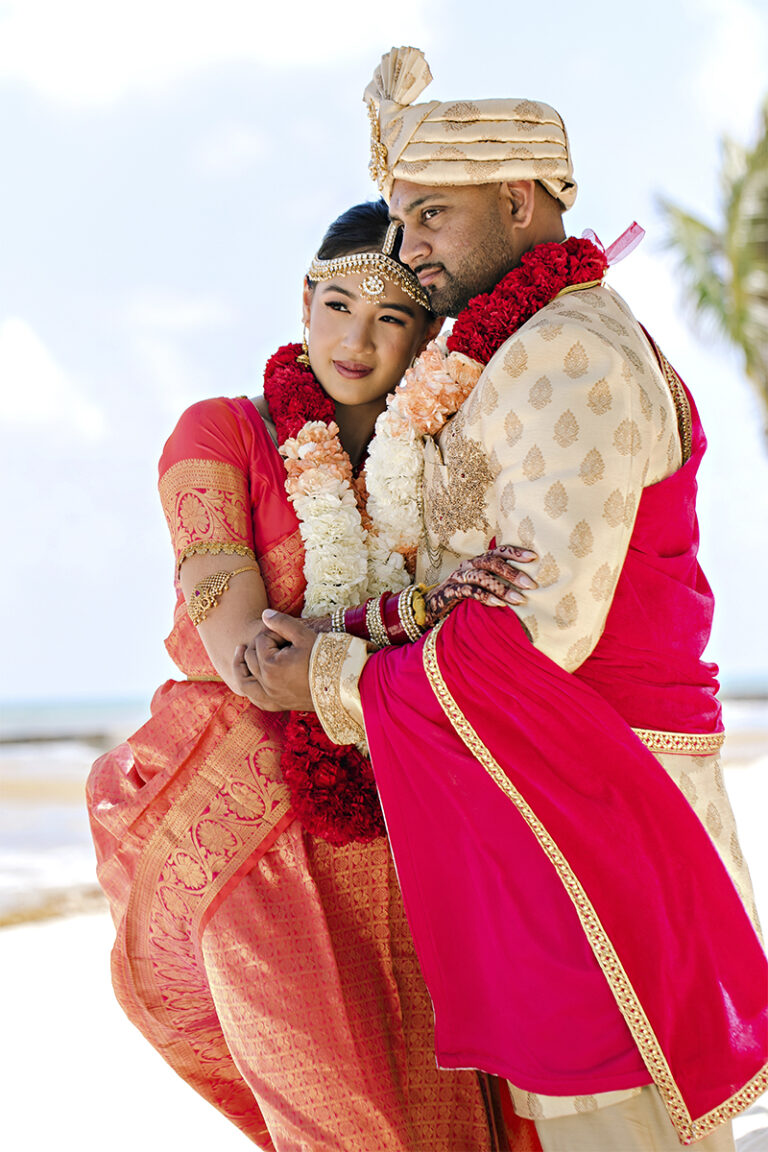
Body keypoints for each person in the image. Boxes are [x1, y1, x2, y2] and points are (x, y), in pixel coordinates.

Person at [238, 48, 768, 1152]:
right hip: (542, 812)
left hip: (598, 813)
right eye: (399, 218)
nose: (408, 248)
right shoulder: (510, 353)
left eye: (430, 216)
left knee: (620, 1128)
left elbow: (536, 636)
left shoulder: (566, 354)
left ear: (518, 201)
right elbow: (458, 588)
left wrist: (324, 678)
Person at [87, 198, 543, 1152]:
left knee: (448, 1113)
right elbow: (250, 657)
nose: (356, 339)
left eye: (391, 319)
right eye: (337, 305)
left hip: (411, 820)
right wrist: (418, 613)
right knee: (336, 1119)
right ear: (303, 301)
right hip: (252, 832)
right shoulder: (220, 435)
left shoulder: (443, 458)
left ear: (426, 335)